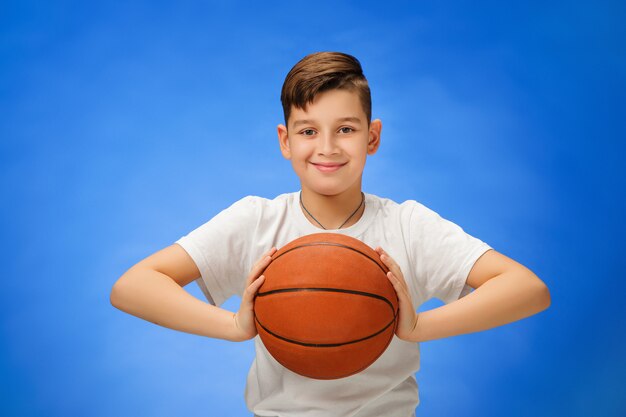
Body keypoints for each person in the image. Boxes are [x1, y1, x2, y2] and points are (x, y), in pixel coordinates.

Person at [110, 51, 551, 417]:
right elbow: (132, 286)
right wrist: (235, 325)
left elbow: (528, 288)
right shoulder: (257, 222)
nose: (327, 147)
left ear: (372, 137)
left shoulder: (407, 226)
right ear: (284, 140)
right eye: (308, 131)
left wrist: (417, 326)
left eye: (345, 129)